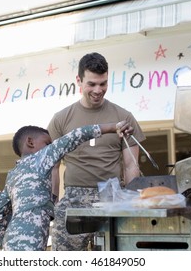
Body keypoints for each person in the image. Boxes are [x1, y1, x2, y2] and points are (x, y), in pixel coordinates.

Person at [47, 52, 146, 251]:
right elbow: (53, 167)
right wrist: (53, 203)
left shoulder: (124, 118)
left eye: (103, 84)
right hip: (74, 198)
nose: (98, 90)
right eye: (92, 84)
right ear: (79, 81)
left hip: (112, 196)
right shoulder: (61, 119)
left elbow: (131, 166)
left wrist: (132, 203)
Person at [0, 121, 133, 251]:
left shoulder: (13, 175)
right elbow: (74, 137)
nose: (50, 147)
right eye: (47, 143)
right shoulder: (40, 157)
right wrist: (112, 127)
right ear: (30, 142)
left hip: (11, 243)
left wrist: (3, 241)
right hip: (30, 244)